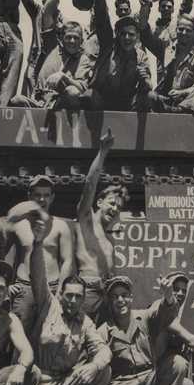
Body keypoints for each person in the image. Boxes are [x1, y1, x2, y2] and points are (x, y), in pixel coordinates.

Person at [29, 215, 112, 385]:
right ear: (61, 295)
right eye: (69, 295)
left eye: (77, 297)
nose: (72, 300)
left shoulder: (85, 322)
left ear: (83, 299)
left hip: (65, 382)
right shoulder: (48, 306)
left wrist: (94, 366)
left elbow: (104, 350)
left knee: (103, 371)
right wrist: (38, 243)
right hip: (40, 381)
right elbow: (38, 275)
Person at [98, 274, 192, 385]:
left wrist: (168, 296)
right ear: (110, 301)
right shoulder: (103, 331)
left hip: (151, 377)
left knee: (180, 365)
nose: (120, 300)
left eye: (124, 295)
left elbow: (166, 313)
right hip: (124, 384)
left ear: (131, 298)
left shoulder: (144, 317)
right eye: (115, 296)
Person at [15, 0, 96, 110]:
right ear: (62, 38)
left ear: (81, 41)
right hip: (41, 102)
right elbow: (46, 12)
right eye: (69, 37)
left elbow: (81, 88)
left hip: (62, 104)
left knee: (72, 92)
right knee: (17, 100)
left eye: (76, 38)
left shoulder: (83, 59)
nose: (72, 41)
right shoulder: (52, 46)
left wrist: (64, 78)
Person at [76, 128, 130, 320]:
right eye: (112, 203)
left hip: (106, 296)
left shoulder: (109, 239)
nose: (115, 209)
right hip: (87, 292)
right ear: (99, 202)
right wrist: (103, 152)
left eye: (119, 207)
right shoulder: (86, 220)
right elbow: (90, 184)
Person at [10, 176, 74, 334]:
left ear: (52, 197)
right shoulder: (19, 225)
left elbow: (67, 260)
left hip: (51, 289)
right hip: (24, 287)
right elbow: (9, 257)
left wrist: (60, 289)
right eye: (37, 195)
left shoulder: (61, 226)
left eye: (46, 195)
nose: (41, 199)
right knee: (19, 335)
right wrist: (7, 285)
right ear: (29, 197)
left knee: (49, 336)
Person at [88, 0, 153, 111]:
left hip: (126, 103)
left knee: (150, 98)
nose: (127, 38)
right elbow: (102, 18)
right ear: (117, 35)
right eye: (123, 34)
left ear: (137, 37)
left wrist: (144, 80)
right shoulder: (108, 46)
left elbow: (148, 86)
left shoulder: (141, 56)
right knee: (88, 95)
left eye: (131, 34)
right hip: (101, 102)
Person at [138, 6, 194, 114]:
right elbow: (145, 35)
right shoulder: (166, 50)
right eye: (181, 29)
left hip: (187, 101)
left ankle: (180, 109)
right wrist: (145, 6)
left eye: (188, 30)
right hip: (163, 100)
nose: (184, 33)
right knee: (147, 96)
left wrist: (182, 92)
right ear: (176, 30)